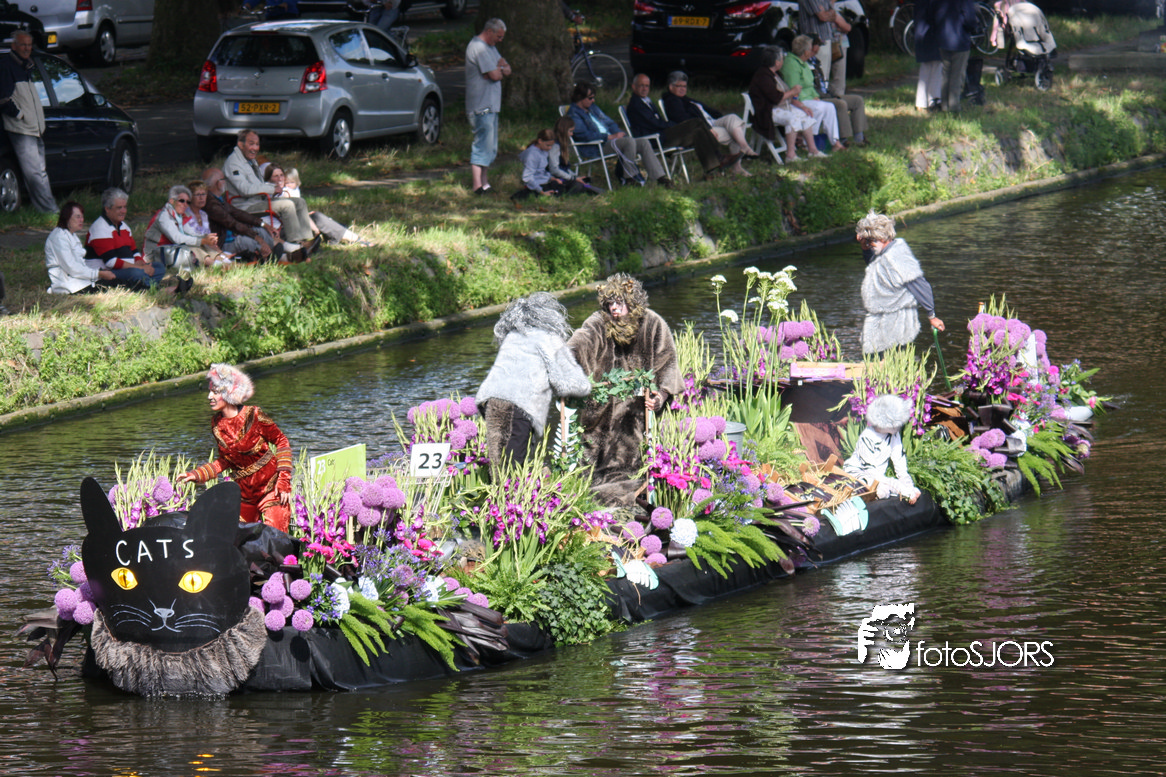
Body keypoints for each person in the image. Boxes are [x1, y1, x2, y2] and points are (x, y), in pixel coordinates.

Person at [567, 273, 682, 507]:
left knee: (634, 455)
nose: (614, 309)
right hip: (602, 409)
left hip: (639, 411)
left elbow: (667, 362)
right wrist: (565, 358)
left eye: (619, 303)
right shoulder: (600, 322)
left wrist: (661, 396)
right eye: (610, 304)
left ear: (632, 302)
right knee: (591, 459)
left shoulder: (653, 324)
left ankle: (638, 490)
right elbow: (583, 339)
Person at [476, 292, 592, 470]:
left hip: (491, 400)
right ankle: (519, 487)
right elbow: (566, 381)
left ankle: (499, 487)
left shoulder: (511, 337)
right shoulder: (547, 338)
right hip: (520, 403)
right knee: (514, 464)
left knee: (497, 462)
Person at [177, 363, 293, 531]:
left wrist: (284, 482)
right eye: (210, 391)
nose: (209, 396)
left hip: (271, 489)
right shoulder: (216, 424)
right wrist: (196, 475)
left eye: (215, 392)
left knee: (275, 538)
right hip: (244, 495)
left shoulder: (254, 415)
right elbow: (225, 461)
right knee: (236, 538)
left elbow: (282, 441)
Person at [855, 210, 944, 356]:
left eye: (871, 241)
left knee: (889, 357)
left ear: (881, 237)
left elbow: (920, 286)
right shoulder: (885, 250)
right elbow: (873, 263)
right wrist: (864, 247)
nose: (870, 245)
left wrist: (931, 316)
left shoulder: (898, 257)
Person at [222, 130, 321, 254]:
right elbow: (245, 189)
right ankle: (296, 245)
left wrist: (272, 188)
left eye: (257, 144)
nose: (255, 148)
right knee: (287, 205)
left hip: (259, 200)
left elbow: (258, 184)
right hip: (245, 206)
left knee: (300, 202)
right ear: (241, 145)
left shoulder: (249, 159)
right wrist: (271, 189)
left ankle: (307, 241)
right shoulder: (233, 163)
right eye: (251, 144)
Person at [625, 73, 732, 179]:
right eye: (641, 85)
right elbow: (655, 123)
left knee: (698, 132)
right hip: (656, 139)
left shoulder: (646, 100)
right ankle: (719, 157)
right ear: (634, 87)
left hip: (662, 134)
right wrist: (672, 124)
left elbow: (657, 122)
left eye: (647, 86)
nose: (645, 89)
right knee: (696, 122)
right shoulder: (636, 104)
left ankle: (711, 170)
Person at [568, 82, 670, 188]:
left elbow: (610, 123)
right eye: (590, 98)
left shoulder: (593, 108)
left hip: (611, 141)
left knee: (643, 142)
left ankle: (660, 178)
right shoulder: (574, 114)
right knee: (628, 142)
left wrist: (617, 134)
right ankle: (629, 178)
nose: (593, 100)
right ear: (579, 97)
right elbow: (584, 136)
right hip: (596, 146)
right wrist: (609, 137)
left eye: (593, 97)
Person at [660, 71, 759, 176]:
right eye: (679, 86)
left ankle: (744, 147)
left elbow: (713, 112)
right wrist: (707, 127)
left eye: (684, 86)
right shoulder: (672, 101)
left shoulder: (687, 99)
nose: (683, 89)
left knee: (733, 119)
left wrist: (721, 120)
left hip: (713, 122)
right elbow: (684, 119)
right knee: (735, 132)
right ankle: (737, 166)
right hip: (703, 129)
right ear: (671, 87)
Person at [0, 31, 55, 214]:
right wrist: (20, 115)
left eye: (29, 45)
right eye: (23, 45)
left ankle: (49, 209)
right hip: (21, 129)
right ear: (14, 46)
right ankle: (48, 211)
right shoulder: (7, 66)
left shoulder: (26, 66)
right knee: (34, 173)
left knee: (40, 172)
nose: (27, 48)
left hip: (34, 128)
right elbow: (3, 98)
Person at [202, 167, 302, 263]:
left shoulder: (218, 199)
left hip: (233, 236)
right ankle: (278, 257)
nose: (225, 182)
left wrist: (263, 224)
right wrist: (257, 238)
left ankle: (279, 253)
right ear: (217, 183)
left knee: (261, 231)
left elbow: (238, 213)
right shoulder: (211, 204)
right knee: (249, 241)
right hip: (224, 243)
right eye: (223, 179)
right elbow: (232, 223)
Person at [85, 188, 172, 291]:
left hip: (129, 269)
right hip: (106, 273)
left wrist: (140, 262)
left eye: (125, 207)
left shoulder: (124, 226)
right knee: (136, 273)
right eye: (119, 208)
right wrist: (140, 268)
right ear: (107, 209)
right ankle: (150, 287)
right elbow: (111, 262)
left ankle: (143, 284)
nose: (124, 211)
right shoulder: (99, 228)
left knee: (159, 267)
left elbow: (134, 250)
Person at [748, 48, 823, 164]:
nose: (783, 61)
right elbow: (775, 98)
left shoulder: (776, 74)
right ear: (777, 62)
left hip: (782, 107)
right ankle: (790, 155)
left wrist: (802, 106)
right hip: (768, 110)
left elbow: (786, 97)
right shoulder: (763, 76)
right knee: (793, 118)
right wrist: (793, 92)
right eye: (782, 59)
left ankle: (813, 150)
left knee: (805, 115)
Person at [843, 394, 922, 504]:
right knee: (880, 490)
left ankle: (890, 489)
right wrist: (899, 487)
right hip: (860, 472)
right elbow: (871, 471)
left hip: (879, 477)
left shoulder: (894, 434)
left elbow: (900, 465)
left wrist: (909, 486)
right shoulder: (867, 437)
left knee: (888, 489)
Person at [266, 165, 371, 245]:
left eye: (281, 175)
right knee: (316, 219)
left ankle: (352, 238)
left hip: (292, 226)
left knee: (316, 216)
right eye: (276, 176)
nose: (280, 179)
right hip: (283, 231)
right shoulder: (273, 193)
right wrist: (313, 227)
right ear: (269, 179)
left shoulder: (283, 191)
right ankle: (347, 237)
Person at [465, 18, 511, 195]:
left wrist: (500, 68)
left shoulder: (491, 47)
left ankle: (485, 183)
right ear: (489, 31)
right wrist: (498, 70)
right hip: (481, 105)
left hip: (491, 104)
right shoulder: (479, 47)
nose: (500, 40)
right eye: (498, 36)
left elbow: (506, 70)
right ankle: (477, 185)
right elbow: (495, 75)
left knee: (490, 146)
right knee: (482, 144)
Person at [781, 36, 847, 153]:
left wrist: (815, 96)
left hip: (808, 98)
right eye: (810, 48)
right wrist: (802, 104)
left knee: (829, 107)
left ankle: (835, 142)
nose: (812, 51)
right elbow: (794, 89)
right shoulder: (791, 64)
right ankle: (808, 142)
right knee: (820, 108)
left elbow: (809, 85)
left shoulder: (803, 63)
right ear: (806, 52)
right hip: (798, 100)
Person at [143, 184, 224, 271]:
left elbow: (192, 234)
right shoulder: (164, 216)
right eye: (181, 201)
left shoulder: (181, 216)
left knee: (197, 242)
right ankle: (213, 264)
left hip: (171, 250)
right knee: (190, 245)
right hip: (155, 254)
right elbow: (178, 239)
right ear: (171, 201)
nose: (185, 204)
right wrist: (202, 240)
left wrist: (207, 238)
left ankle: (221, 260)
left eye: (188, 202)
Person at [808, 36, 868, 146]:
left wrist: (832, 93)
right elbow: (810, 88)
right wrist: (828, 96)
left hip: (827, 94)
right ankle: (843, 139)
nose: (816, 52)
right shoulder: (804, 64)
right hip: (818, 98)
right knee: (840, 104)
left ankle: (859, 137)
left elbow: (823, 84)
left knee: (857, 100)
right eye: (814, 50)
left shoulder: (815, 61)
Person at [46, 201, 115, 294]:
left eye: (82, 217)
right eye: (78, 217)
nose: (82, 220)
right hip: (69, 285)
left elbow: (80, 265)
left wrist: (98, 273)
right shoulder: (58, 237)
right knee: (113, 284)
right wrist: (98, 274)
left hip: (80, 281)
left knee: (117, 281)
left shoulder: (71, 235)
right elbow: (71, 267)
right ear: (67, 218)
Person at [799, 0, 852, 98]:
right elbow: (822, 17)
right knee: (817, 77)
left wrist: (827, 13)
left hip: (826, 39)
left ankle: (826, 100)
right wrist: (825, 14)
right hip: (814, 42)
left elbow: (833, 14)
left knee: (825, 78)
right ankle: (819, 100)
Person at [934, 0, 977, 112]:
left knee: (946, 74)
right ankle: (954, 107)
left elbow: (934, 13)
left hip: (943, 37)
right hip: (959, 38)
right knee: (957, 75)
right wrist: (972, 28)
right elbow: (970, 19)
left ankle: (945, 105)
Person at [915, 0, 943, 111]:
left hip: (921, 33)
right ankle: (934, 99)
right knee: (936, 67)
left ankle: (921, 102)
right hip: (932, 34)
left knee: (925, 68)